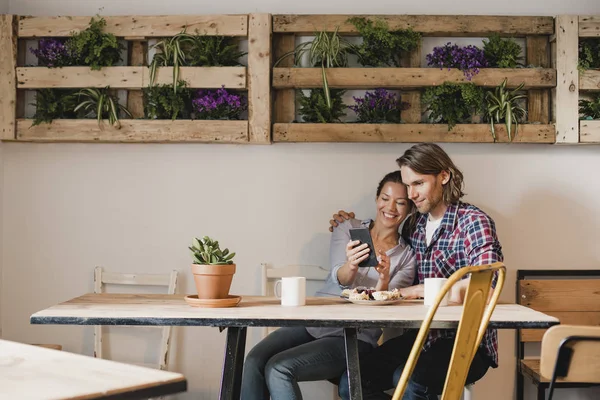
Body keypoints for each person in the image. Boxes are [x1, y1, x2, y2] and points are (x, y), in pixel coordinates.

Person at [331, 143, 504, 400]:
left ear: (444, 176)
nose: (411, 194)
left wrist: (419, 290)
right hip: (420, 337)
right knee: (352, 382)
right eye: (407, 185)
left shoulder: (473, 222)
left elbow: (485, 290)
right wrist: (345, 223)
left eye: (418, 184)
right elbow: (385, 230)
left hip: (466, 341)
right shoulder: (414, 224)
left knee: (412, 382)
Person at [241, 171, 416, 400]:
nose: (390, 207)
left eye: (400, 202)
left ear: (409, 209)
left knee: (279, 368)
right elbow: (339, 277)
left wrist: (383, 279)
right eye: (385, 198)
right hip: (315, 322)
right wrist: (351, 265)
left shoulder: (406, 256)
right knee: (254, 360)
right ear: (376, 199)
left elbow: (385, 305)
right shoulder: (348, 228)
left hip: (354, 338)